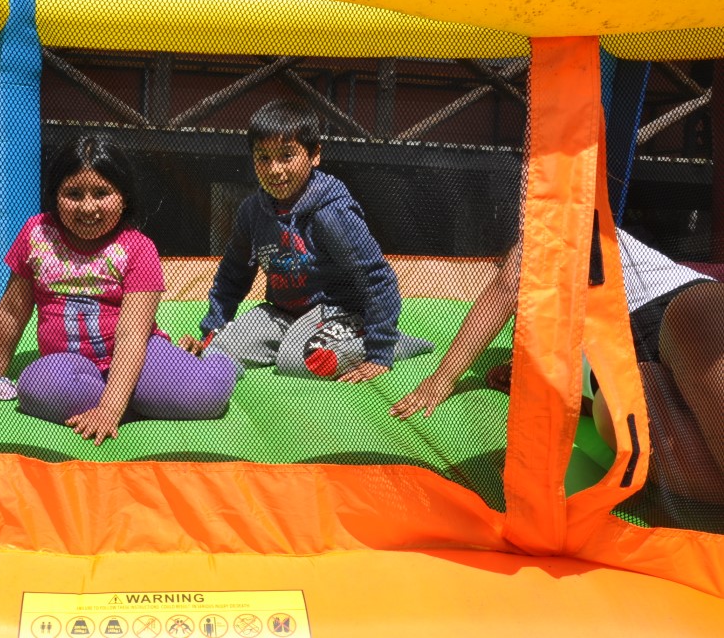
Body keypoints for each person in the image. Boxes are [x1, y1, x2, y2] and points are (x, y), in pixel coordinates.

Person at [390, 228, 724, 504]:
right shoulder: (564, 346)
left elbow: (505, 288)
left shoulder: (567, 225)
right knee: (614, 415)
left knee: (691, 319)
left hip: (667, 302)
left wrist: (444, 376)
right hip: (623, 358)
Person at [0, 134, 240, 445]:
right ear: (55, 195)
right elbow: (13, 309)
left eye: (101, 193)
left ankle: (221, 361)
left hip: (137, 357)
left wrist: (110, 408)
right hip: (70, 365)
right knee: (35, 387)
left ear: (123, 197)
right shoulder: (37, 235)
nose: (88, 207)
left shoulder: (137, 248)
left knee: (205, 396)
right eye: (73, 194)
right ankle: (133, 400)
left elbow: (132, 335)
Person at [180, 99, 427, 382]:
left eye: (287, 156)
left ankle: (392, 343)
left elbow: (377, 277)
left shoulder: (332, 212)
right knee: (219, 350)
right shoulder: (252, 212)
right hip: (283, 314)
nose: (274, 169)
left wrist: (379, 352)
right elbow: (231, 276)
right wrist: (211, 333)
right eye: (263, 157)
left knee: (300, 360)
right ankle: (286, 341)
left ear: (314, 155)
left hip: (338, 313)